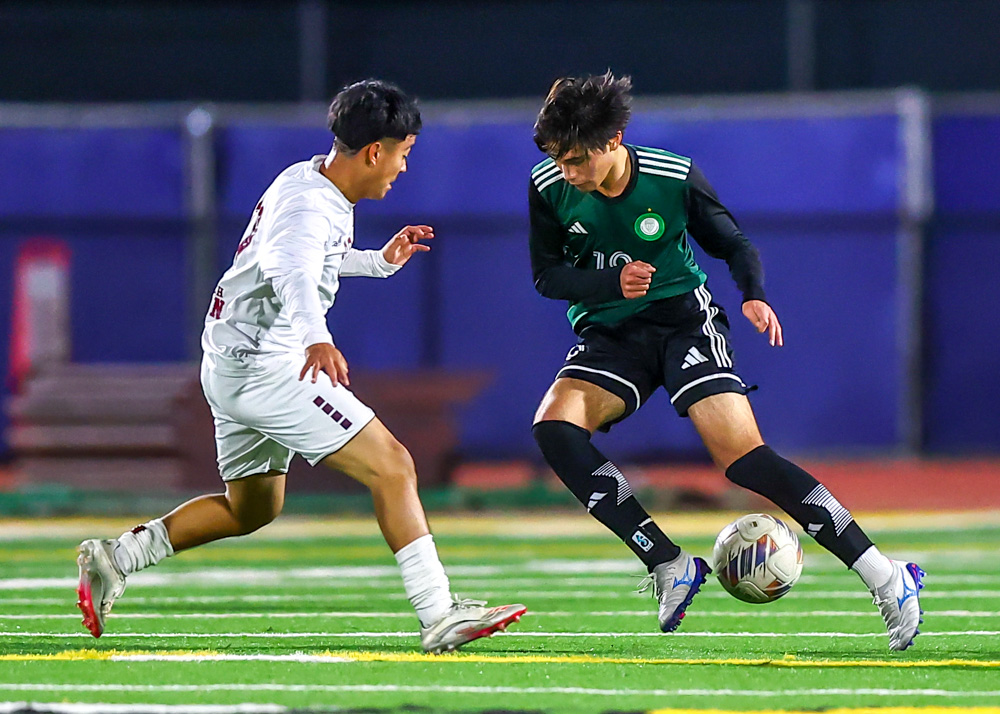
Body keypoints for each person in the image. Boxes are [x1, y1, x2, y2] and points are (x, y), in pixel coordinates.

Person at [76, 79, 525, 654]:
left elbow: (310, 259)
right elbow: (292, 272)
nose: (404, 167)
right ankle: (438, 613)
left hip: (232, 361)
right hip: (268, 365)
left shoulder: (308, 178)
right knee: (393, 466)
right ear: (374, 151)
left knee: (251, 508)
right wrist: (317, 338)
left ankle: (118, 556)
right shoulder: (312, 204)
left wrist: (378, 262)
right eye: (404, 153)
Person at [527, 71, 923, 651]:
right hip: (610, 332)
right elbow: (546, 275)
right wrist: (611, 282)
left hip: (684, 323)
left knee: (745, 461)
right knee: (555, 429)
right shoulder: (548, 186)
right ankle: (667, 563)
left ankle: (886, 576)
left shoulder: (671, 177)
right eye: (558, 160)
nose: (567, 172)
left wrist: (753, 294)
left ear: (613, 140)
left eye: (576, 159)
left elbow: (733, 243)